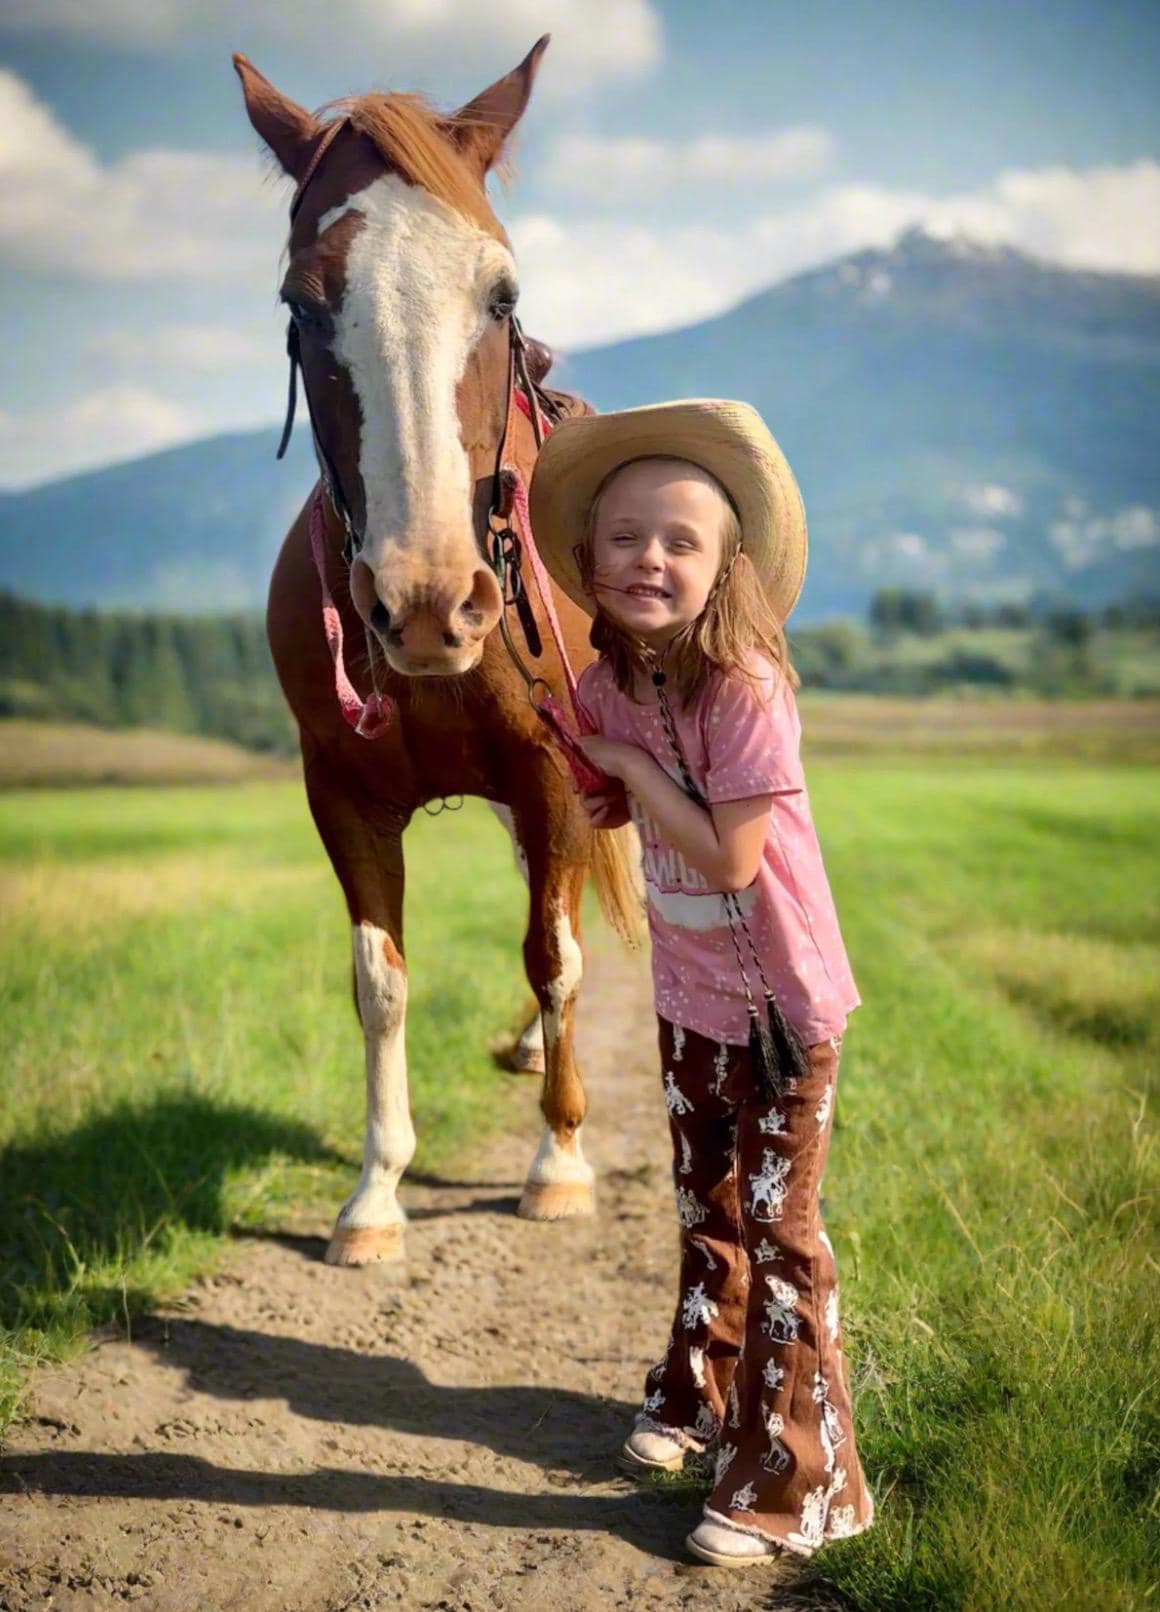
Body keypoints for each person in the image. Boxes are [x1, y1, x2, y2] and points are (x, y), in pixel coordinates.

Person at [527, 400, 875, 1571]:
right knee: (705, 1208)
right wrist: (579, 758)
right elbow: (601, 800)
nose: (648, 559)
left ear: (727, 566)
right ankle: (702, 1395)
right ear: (587, 559)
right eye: (624, 538)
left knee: (779, 1232)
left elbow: (729, 857)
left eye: (680, 541)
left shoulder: (744, 685)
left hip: (779, 1010)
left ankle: (794, 1482)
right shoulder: (610, 683)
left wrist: (624, 763)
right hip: (690, 1002)